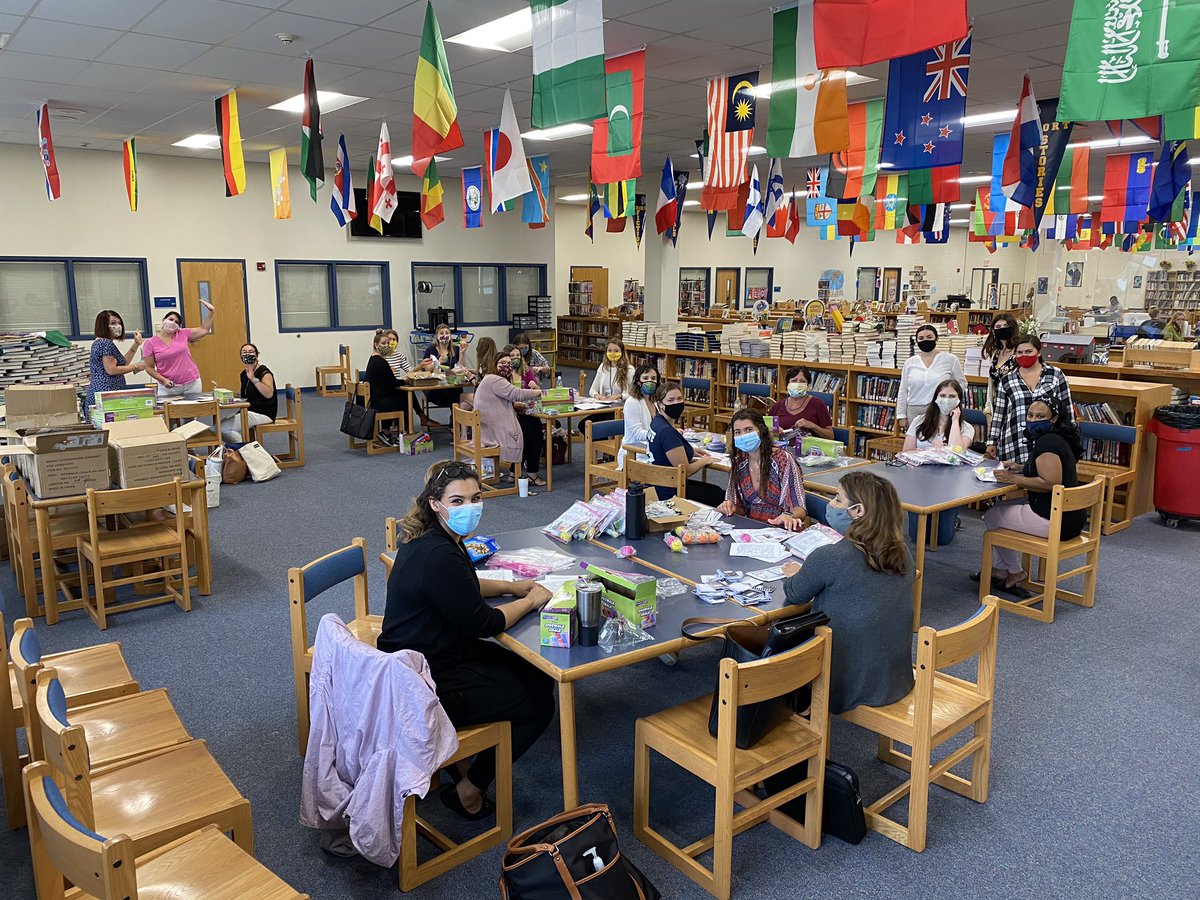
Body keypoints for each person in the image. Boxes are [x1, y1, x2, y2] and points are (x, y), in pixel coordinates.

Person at [377, 460, 555, 819]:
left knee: (536, 674)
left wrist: (508, 586)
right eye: (457, 501)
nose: (470, 507)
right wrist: (530, 600)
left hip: (420, 653)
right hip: (424, 679)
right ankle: (469, 789)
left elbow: (462, 584)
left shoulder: (428, 536)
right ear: (435, 503)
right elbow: (486, 623)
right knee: (539, 704)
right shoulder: (440, 554)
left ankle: (460, 760)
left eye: (475, 498)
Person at [779, 471, 915, 715]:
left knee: (782, 631)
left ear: (858, 510)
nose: (830, 504)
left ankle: (802, 707)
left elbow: (795, 593)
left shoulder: (831, 556)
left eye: (838, 499)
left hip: (848, 684)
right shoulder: (903, 552)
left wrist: (795, 572)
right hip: (895, 678)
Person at [977, 398, 1087, 596]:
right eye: (1030, 415)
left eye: (1040, 416)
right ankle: (1001, 570)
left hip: (1056, 521)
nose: (1033, 420)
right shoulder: (1060, 437)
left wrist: (1014, 479)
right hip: (1071, 516)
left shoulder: (1047, 442)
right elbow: (1048, 470)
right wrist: (1021, 468)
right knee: (1001, 509)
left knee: (992, 516)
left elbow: (1050, 483)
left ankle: (1015, 571)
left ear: (1053, 418)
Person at [986, 333, 1073, 464]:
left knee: (1045, 473)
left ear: (1038, 352)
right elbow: (999, 413)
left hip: (1049, 439)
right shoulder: (1007, 379)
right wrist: (992, 441)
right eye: (1019, 352)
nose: (1024, 355)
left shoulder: (1055, 374)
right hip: (1015, 440)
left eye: (1028, 351)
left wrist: (1070, 438)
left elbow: (1066, 409)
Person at [717, 408, 807, 529]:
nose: (743, 436)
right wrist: (728, 507)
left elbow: (800, 508)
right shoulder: (740, 462)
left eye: (749, 430)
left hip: (781, 528)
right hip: (750, 528)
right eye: (738, 432)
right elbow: (739, 509)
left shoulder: (782, 459)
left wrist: (788, 516)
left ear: (761, 430)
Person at [473, 354, 546, 488]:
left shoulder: (490, 378)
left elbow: (507, 401)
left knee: (530, 428)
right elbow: (517, 394)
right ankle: (530, 474)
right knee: (533, 433)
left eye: (509, 363)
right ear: (495, 364)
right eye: (502, 362)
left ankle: (515, 473)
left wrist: (523, 405)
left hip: (487, 428)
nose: (506, 366)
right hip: (492, 433)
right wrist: (539, 392)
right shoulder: (495, 380)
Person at [646, 381, 725, 505]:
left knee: (715, 490)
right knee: (720, 495)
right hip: (671, 491)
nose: (676, 403)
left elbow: (665, 449)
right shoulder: (667, 432)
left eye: (679, 398)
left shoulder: (656, 422)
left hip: (658, 483)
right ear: (660, 404)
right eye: (670, 400)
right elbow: (685, 471)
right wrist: (704, 461)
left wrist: (690, 451)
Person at [897, 323, 966, 430]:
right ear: (916, 341)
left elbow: (961, 383)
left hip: (940, 409)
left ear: (936, 338)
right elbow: (903, 390)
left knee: (939, 438)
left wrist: (951, 402)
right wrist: (901, 415)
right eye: (921, 338)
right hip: (914, 410)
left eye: (929, 337)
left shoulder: (950, 359)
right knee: (914, 439)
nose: (925, 340)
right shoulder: (910, 362)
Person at [141, 303, 214, 400]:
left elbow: (204, 329)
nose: (173, 322)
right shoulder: (150, 343)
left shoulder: (183, 333)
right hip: (168, 386)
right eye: (170, 319)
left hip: (192, 383)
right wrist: (163, 380)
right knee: (170, 409)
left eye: (176, 322)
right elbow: (149, 368)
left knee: (192, 409)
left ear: (178, 326)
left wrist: (211, 312)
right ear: (163, 320)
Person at [85, 309, 144, 412]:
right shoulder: (105, 343)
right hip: (106, 394)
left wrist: (136, 344)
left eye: (119, 323)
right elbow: (111, 370)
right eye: (113, 323)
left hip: (105, 394)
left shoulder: (100, 343)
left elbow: (123, 364)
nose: (118, 326)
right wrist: (136, 366)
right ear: (103, 325)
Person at [219, 343, 276, 443]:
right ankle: (242, 448)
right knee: (217, 427)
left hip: (263, 413)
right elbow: (245, 395)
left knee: (223, 429)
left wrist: (253, 379)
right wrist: (225, 392)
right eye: (244, 352)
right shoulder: (244, 374)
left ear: (256, 355)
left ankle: (245, 449)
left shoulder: (264, 372)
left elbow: (269, 393)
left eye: (251, 352)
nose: (247, 354)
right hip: (247, 410)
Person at [903, 379, 974, 451]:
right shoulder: (919, 421)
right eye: (942, 395)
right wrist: (931, 450)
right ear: (936, 398)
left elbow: (957, 451)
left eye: (952, 396)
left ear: (959, 400)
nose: (946, 400)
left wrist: (955, 421)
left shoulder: (967, 428)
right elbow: (906, 452)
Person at [422, 323, 473, 423]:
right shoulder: (431, 350)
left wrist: (462, 353)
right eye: (441, 333)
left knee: (457, 392)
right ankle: (455, 418)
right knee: (453, 397)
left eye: (447, 333)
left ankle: (454, 421)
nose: (444, 335)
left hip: (451, 384)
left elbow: (462, 367)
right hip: (435, 388)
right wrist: (438, 362)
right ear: (437, 336)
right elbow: (427, 369)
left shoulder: (455, 349)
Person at [364, 328, 408, 443]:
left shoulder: (373, 359)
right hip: (380, 402)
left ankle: (386, 431)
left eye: (388, 343)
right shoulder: (381, 362)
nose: (387, 346)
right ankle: (404, 434)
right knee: (406, 401)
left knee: (401, 396)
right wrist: (405, 380)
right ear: (376, 345)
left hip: (374, 400)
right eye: (383, 343)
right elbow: (393, 382)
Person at [766, 366, 834, 439]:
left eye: (802, 381)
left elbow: (830, 436)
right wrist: (773, 431)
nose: (798, 384)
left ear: (807, 385)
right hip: (781, 445)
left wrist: (812, 426)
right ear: (787, 384)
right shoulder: (777, 406)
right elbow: (765, 432)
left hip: (808, 445)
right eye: (794, 381)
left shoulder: (818, 404)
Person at [618, 364, 659, 468]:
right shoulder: (632, 402)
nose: (650, 381)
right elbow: (637, 434)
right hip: (632, 454)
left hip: (651, 450)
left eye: (653, 378)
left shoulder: (656, 401)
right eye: (645, 378)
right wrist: (661, 435)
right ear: (638, 381)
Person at [981, 313, 1020, 423]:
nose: (1002, 329)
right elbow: (991, 384)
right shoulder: (995, 353)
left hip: (1014, 407)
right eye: (998, 327)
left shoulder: (1019, 352)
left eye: (1006, 326)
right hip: (997, 406)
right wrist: (988, 410)